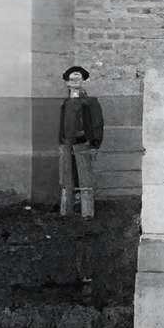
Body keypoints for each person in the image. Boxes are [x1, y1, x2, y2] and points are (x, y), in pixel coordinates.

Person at [55, 63, 102, 218]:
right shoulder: (66, 103)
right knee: (67, 177)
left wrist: (95, 143)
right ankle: (66, 210)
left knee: (85, 178)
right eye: (71, 79)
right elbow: (63, 124)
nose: (75, 82)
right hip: (66, 145)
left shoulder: (90, 102)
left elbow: (96, 123)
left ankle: (87, 212)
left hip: (83, 144)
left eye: (78, 79)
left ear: (84, 81)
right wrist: (61, 142)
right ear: (67, 83)